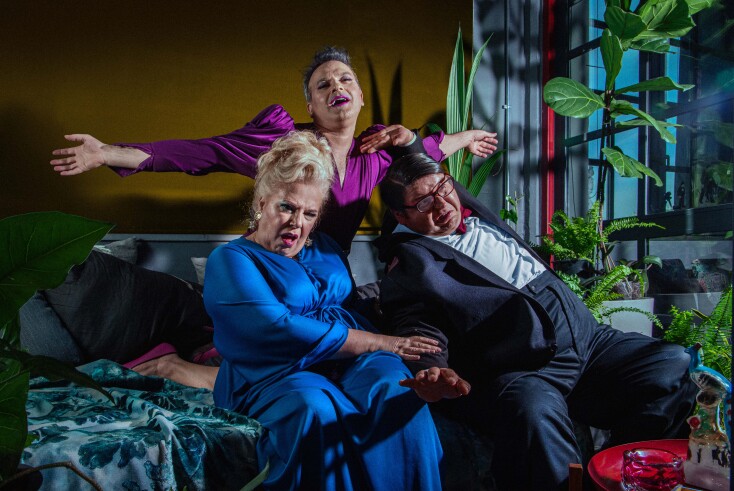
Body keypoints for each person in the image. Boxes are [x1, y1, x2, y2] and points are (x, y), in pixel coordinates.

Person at [375, 153, 698, 490]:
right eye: (424, 202)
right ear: (401, 215)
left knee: (672, 365)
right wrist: (431, 368)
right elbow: (415, 323)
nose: (441, 204)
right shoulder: (410, 263)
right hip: (527, 368)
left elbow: (427, 165)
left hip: (590, 343)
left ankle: (622, 477)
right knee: (531, 411)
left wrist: (409, 144)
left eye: (443, 187)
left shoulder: (464, 206)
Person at [49, 46, 498, 252]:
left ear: (360, 97)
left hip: (331, 276)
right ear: (311, 106)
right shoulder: (283, 144)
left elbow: (432, 147)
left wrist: (469, 138)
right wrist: (106, 153)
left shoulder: (375, 152)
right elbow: (200, 153)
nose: (336, 87)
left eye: (345, 79)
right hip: (275, 265)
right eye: (323, 85)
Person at [203, 131, 445, 490]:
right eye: (287, 207)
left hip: (348, 360)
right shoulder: (231, 259)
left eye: (309, 213)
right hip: (276, 370)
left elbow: (353, 306)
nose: (297, 222)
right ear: (262, 203)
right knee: (314, 409)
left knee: (395, 389)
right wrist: (382, 342)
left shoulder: (327, 246)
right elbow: (273, 327)